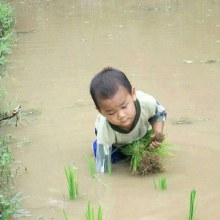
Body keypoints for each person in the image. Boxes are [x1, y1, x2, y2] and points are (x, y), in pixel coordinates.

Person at [90, 67, 167, 173]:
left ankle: (133, 144)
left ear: (133, 94)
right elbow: (103, 167)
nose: (121, 115)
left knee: (147, 150)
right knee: (114, 158)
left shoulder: (146, 102)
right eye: (111, 113)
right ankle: (99, 145)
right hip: (114, 140)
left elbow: (159, 113)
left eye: (124, 106)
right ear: (100, 111)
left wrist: (157, 133)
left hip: (138, 131)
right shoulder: (105, 130)